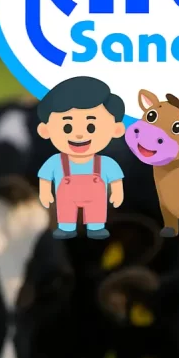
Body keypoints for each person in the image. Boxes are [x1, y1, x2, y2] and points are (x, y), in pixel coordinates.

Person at [35, 76, 127, 239]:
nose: (78, 134)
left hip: (96, 199)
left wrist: (117, 193)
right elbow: (45, 178)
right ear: (45, 131)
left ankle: (96, 227)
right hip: (65, 200)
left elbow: (115, 180)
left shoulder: (105, 162)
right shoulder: (57, 162)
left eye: (91, 127)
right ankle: (66, 227)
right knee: (65, 213)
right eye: (67, 127)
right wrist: (45, 193)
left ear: (116, 130)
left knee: (96, 212)